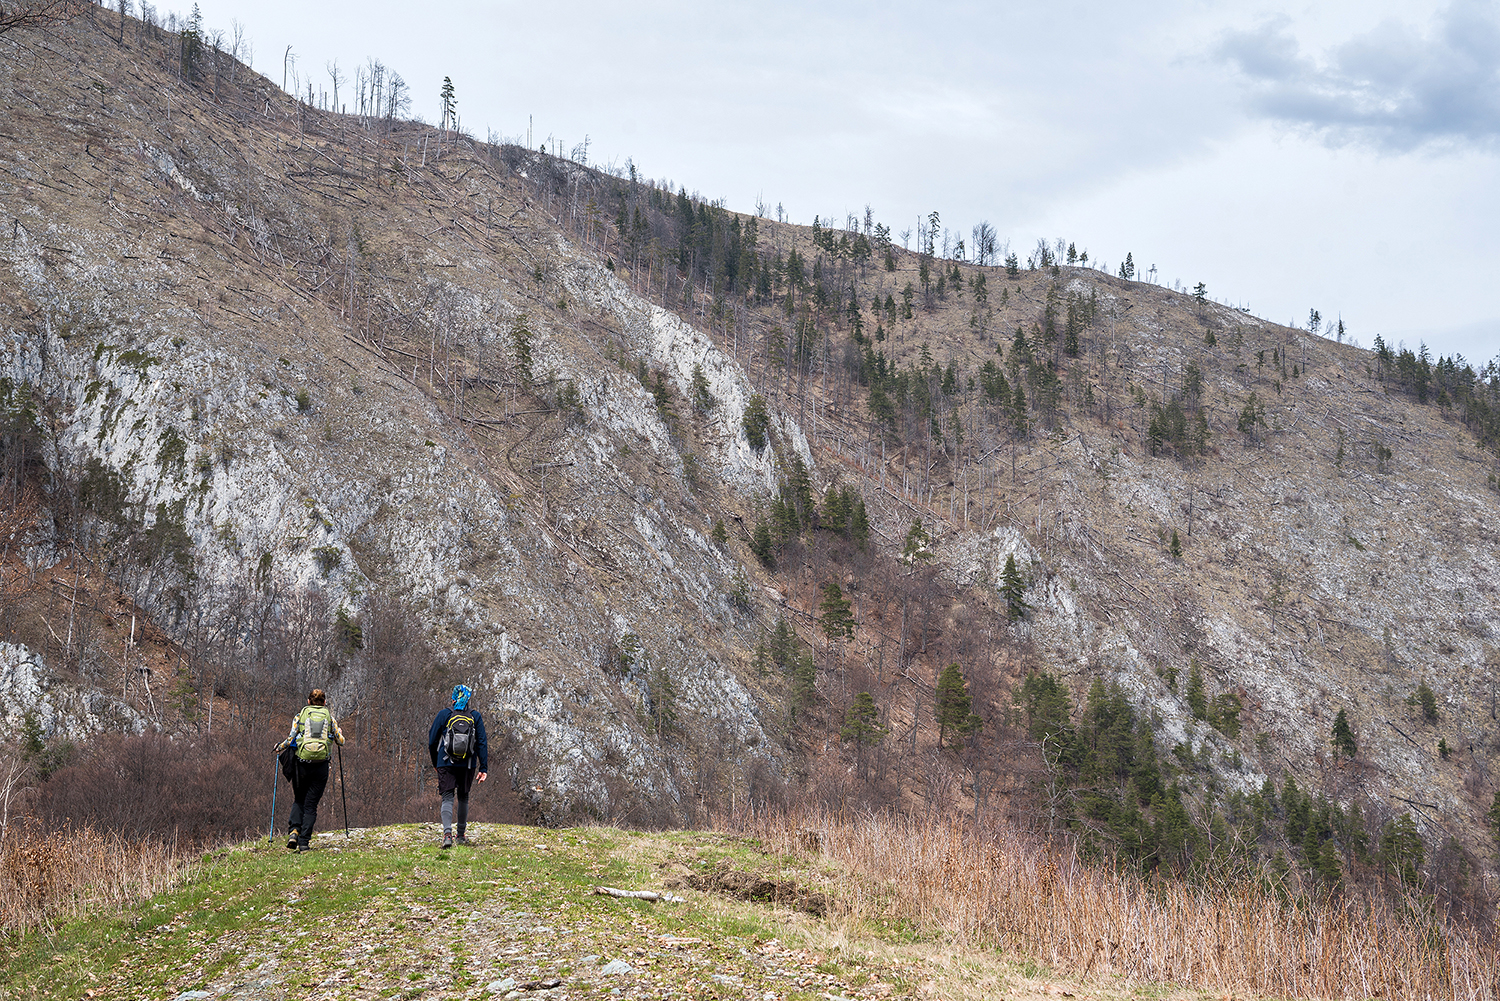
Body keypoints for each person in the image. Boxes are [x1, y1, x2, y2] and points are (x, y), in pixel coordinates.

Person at [274, 689, 345, 852]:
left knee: (299, 798)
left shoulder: (300, 717)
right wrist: (339, 734)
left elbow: (291, 738)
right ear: (325, 703)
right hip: (320, 766)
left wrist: (279, 747)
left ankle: (293, 832)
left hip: (301, 764)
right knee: (311, 805)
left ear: (308, 701)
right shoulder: (330, 719)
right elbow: (341, 742)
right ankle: (304, 842)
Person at [428, 684, 488, 848]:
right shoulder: (475, 716)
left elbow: (432, 741)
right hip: (467, 764)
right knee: (463, 797)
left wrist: (436, 763)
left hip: (445, 762)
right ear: (468, 699)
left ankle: (447, 835)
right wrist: (483, 768)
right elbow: (482, 743)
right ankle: (460, 835)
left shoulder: (444, 714)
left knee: (447, 797)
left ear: (454, 698)